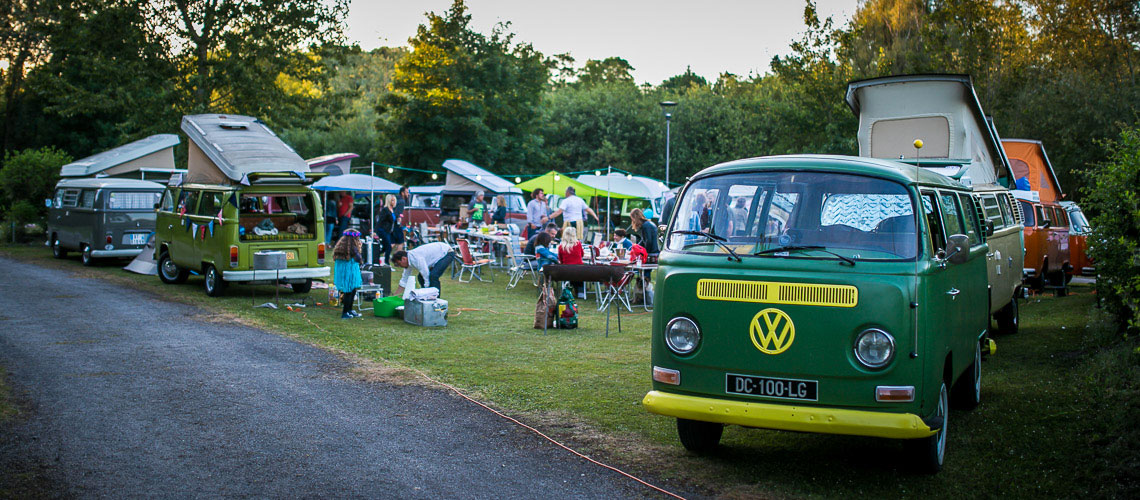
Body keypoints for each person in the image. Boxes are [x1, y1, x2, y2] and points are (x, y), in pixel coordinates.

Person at [332, 229, 364, 319]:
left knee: (348, 291)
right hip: (350, 272)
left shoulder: (341, 246)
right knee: (350, 291)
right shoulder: (353, 247)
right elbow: (358, 258)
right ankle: (346, 312)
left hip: (342, 272)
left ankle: (349, 311)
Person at [558, 226, 585, 297]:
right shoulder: (578, 244)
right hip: (579, 270)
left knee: (568, 273)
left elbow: (560, 260)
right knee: (578, 274)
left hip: (566, 270)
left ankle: (566, 291)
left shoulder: (561, 246)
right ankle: (580, 292)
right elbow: (582, 255)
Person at [373, 194, 398, 264]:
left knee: (384, 248)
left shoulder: (393, 210)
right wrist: (375, 231)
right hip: (383, 230)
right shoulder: (385, 210)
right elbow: (380, 221)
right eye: (392, 200)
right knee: (388, 247)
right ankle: (387, 263)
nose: (393, 202)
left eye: (394, 200)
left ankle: (375, 256)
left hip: (389, 231)